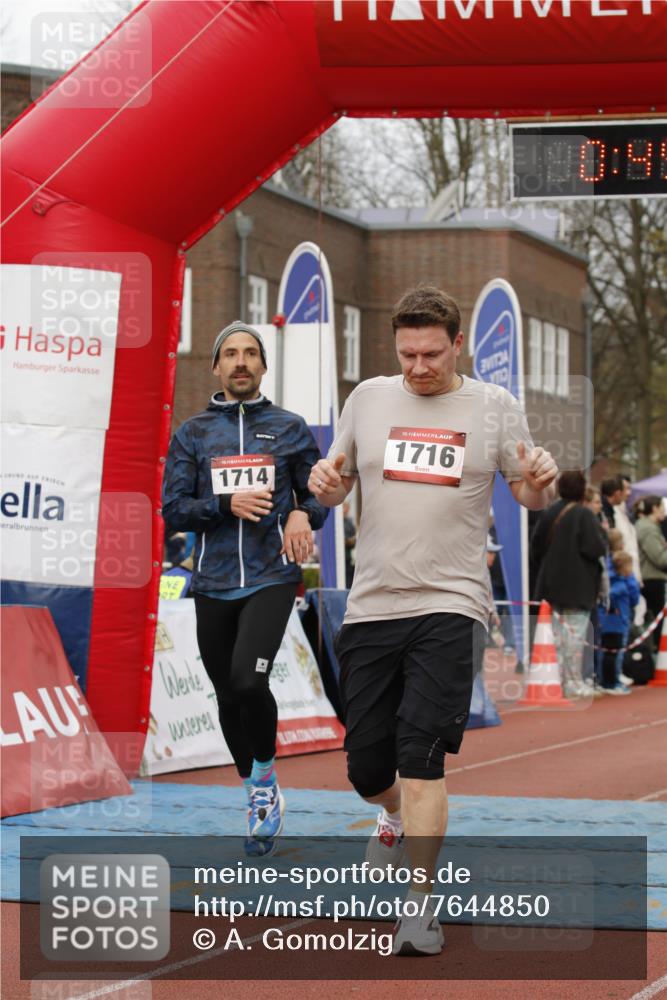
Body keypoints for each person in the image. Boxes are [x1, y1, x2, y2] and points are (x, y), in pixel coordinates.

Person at [307, 286, 558, 956]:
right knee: (366, 767)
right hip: (371, 606)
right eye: (407, 353)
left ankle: (420, 906)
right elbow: (330, 483)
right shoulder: (366, 399)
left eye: (430, 353)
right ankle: (389, 814)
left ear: (457, 345)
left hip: (450, 605)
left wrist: (539, 477)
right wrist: (324, 492)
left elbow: (529, 493)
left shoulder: (492, 407)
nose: (418, 366)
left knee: (419, 754)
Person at [162, 320, 327, 855]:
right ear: (216, 366)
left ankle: (263, 783)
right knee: (228, 694)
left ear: (262, 366)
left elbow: (320, 490)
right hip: (211, 582)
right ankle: (252, 782)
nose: (240, 361)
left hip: (270, 577)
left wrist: (304, 513)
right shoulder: (192, 433)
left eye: (250, 353)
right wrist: (223, 505)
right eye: (230, 353)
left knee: (249, 682)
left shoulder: (290, 427)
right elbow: (172, 509)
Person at [530, 470, 607, 699]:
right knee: (574, 636)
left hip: (551, 584)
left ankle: (559, 679)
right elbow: (595, 549)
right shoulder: (584, 515)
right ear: (582, 489)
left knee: (557, 635)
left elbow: (536, 547)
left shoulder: (550, 512)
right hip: (578, 585)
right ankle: (571, 682)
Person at [599, 551, 640, 694]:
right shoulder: (623, 585)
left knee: (606, 653)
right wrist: (631, 580)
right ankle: (612, 683)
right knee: (614, 654)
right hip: (618, 623)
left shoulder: (608, 580)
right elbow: (635, 599)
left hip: (606, 622)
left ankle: (607, 681)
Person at [634, 495, 667, 651]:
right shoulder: (648, 528)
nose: (664, 511)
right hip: (652, 579)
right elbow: (660, 558)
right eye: (662, 507)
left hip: (649, 577)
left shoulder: (647, 527)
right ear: (654, 508)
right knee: (658, 622)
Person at [343, 499, 357, 589]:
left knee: (350, 582)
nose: (347, 510)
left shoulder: (350, 522)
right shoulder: (339, 524)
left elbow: (354, 536)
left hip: (349, 558)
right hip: (342, 557)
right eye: (345, 507)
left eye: (348, 508)